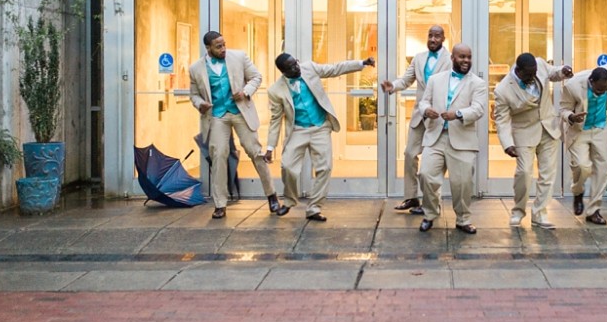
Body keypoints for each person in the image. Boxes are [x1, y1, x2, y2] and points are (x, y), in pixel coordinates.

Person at [265, 52, 376, 221]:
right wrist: (269, 147)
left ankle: (314, 208)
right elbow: (275, 119)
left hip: (320, 127)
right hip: (298, 130)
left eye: (296, 62)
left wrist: (361, 63)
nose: (297, 67)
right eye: (292, 67)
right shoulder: (275, 90)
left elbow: (335, 69)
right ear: (283, 72)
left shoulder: (308, 68)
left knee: (324, 168)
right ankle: (289, 201)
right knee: (288, 166)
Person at [189, 31, 281, 219]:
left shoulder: (238, 57)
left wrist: (245, 92)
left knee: (255, 151)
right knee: (219, 155)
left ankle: (272, 195)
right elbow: (194, 95)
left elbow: (256, 77)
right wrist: (200, 104)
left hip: (240, 112)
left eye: (224, 44)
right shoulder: (195, 68)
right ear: (208, 48)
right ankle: (220, 204)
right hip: (217, 116)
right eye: (218, 46)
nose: (223, 49)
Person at [493, 52, 572, 229]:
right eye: (529, 74)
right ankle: (518, 212)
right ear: (518, 71)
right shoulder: (503, 90)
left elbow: (552, 73)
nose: (533, 76)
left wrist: (563, 71)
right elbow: (502, 119)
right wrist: (507, 144)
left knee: (548, 175)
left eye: (534, 73)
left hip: (548, 128)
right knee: (524, 174)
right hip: (524, 132)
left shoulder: (539, 66)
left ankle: (540, 214)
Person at [380, 25, 451, 214]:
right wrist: (392, 86)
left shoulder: (450, 60)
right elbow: (406, 80)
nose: (433, 39)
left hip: (438, 118)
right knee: (410, 154)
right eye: (430, 36)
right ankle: (411, 198)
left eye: (437, 36)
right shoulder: (419, 58)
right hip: (420, 116)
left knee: (431, 164)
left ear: (443, 38)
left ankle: (431, 203)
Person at [416, 43, 487, 234]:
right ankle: (430, 213)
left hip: (462, 139)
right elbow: (424, 101)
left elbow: (479, 109)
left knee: (462, 183)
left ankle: (463, 219)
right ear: (452, 58)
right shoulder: (435, 79)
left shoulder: (478, 84)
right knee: (426, 175)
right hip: (435, 136)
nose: (466, 61)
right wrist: (426, 110)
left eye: (469, 57)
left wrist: (458, 114)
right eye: (462, 57)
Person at [559, 67, 607, 226]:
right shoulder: (572, 86)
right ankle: (578, 192)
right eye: (598, 90)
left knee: (602, 170)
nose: (601, 93)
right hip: (579, 129)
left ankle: (594, 211)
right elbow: (563, 109)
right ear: (591, 82)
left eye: (605, 90)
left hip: (600, 128)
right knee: (582, 167)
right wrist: (571, 116)